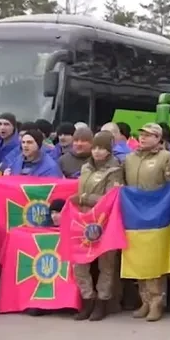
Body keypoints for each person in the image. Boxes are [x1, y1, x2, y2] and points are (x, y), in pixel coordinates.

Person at [123, 123, 170, 321]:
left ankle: (157, 302)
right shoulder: (129, 159)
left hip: (158, 215)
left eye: (149, 135)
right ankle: (145, 300)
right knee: (138, 259)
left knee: (154, 260)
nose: (143, 138)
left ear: (158, 138)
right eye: (141, 134)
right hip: (134, 216)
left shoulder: (167, 158)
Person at [70, 131, 125, 321]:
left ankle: (103, 301)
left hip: (104, 222)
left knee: (106, 265)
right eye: (95, 148)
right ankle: (87, 299)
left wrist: (85, 198)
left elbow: (111, 198)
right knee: (80, 264)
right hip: (83, 221)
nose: (97, 152)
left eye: (102, 148)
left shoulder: (114, 170)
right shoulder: (85, 168)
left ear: (109, 151)